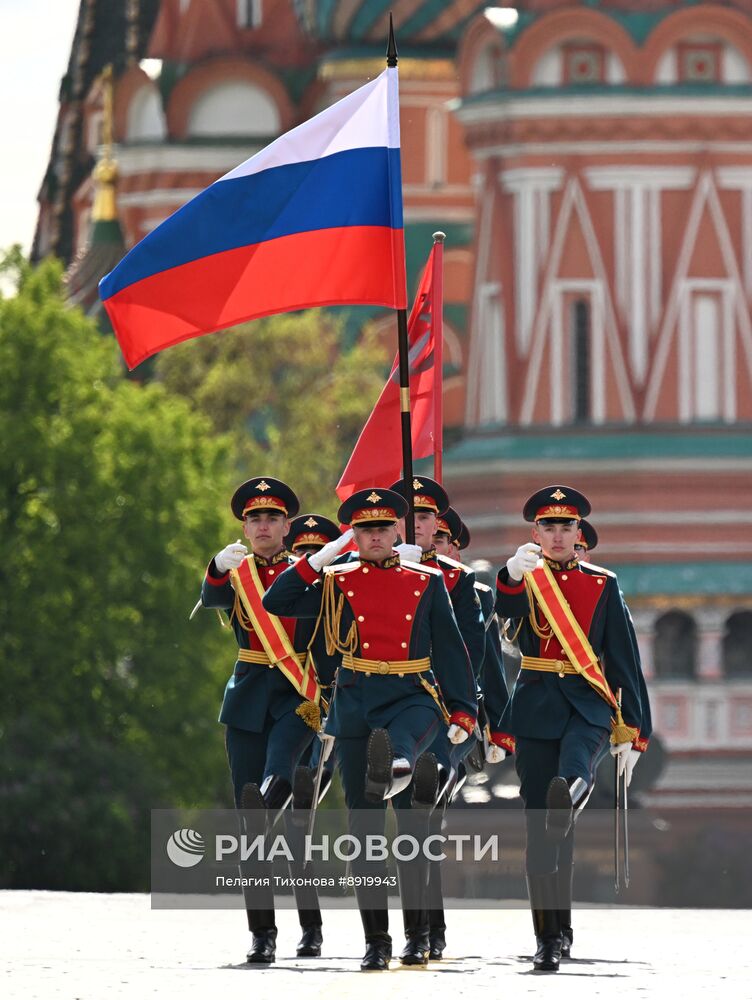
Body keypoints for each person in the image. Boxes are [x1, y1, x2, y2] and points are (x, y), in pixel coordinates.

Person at [262, 487, 478, 971]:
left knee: (409, 814)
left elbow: (451, 648)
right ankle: (377, 940)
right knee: (364, 830)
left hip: (412, 693)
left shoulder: (426, 580)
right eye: (364, 529)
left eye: (382, 528)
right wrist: (319, 559)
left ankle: (417, 934)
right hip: (356, 699)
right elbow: (277, 600)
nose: (375, 536)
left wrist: (464, 709)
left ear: (396, 531)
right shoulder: (336, 580)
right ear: (354, 534)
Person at [495, 485, 650, 973]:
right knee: (542, 829)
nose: (558, 535)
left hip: (587, 705)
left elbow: (623, 659)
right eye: (549, 527)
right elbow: (506, 621)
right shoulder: (524, 577)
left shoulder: (603, 584)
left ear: (578, 531)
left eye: (566, 527)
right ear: (535, 533)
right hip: (536, 706)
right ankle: (550, 934)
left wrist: (635, 732)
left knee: (575, 770)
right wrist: (510, 577)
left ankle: (574, 790)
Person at [200, 477, 324, 964]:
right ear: (245, 528)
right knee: (251, 822)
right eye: (255, 519)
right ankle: (262, 933)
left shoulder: (308, 572)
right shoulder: (237, 572)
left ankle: (310, 926)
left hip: (300, 698)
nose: (264, 526)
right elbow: (213, 598)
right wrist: (215, 568)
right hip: (249, 698)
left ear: (287, 526)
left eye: (272, 518)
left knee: (287, 801)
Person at [284, 513, 343, 809]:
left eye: (317, 551)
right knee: (293, 767)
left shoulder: (341, 594)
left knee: (319, 766)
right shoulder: (284, 594)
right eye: (301, 552)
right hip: (293, 690)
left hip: (332, 694)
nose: (309, 558)